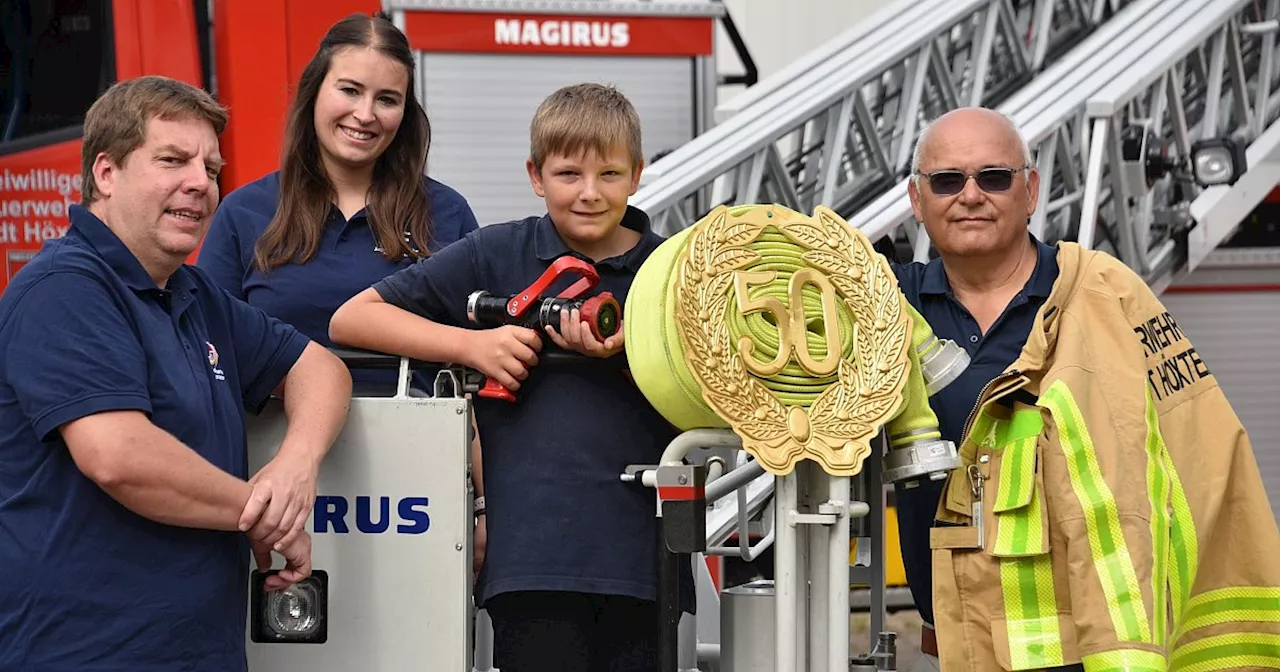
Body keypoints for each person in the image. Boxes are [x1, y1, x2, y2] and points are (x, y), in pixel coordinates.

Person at [896, 107, 1280, 670]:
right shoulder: (886, 306)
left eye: (994, 178)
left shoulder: (1099, 295)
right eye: (949, 180)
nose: (971, 195)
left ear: (1030, 192)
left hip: (1090, 647)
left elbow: (1196, 447)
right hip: (959, 640)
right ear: (917, 199)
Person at [329, 82, 692, 672]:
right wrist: (474, 345)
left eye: (610, 175)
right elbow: (353, 318)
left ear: (638, 174)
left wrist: (637, 352)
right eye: (568, 174)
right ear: (535, 174)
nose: (590, 193)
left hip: (647, 564)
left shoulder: (672, 270)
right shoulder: (494, 254)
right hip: (529, 563)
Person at [0, 76, 353, 671]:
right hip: (84, 652)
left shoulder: (192, 293)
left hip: (198, 653)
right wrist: (264, 513)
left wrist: (296, 465)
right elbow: (119, 456)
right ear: (105, 173)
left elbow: (319, 366)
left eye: (212, 168)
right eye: (173, 160)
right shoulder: (65, 288)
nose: (201, 183)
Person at [195, 13, 486, 573]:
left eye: (387, 99)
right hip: (273, 485)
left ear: (406, 114)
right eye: (349, 90)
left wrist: (483, 504)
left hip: (420, 495)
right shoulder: (244, 214)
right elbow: (207, 362)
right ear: (314, 92)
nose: (365, 114)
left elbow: (482, 375)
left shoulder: (446, 215)